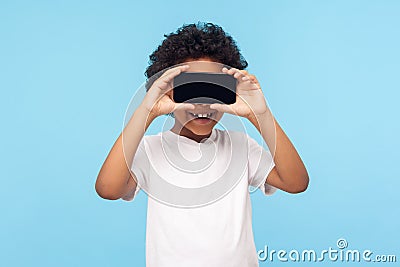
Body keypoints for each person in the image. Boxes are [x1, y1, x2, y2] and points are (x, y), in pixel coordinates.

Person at [95, 22, 309, 267]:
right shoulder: (150, 149)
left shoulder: (240, 145)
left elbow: (296, 183)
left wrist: (260, 114)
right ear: (168, 92)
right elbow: (108, 189)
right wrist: (145, 111)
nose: (203, 105)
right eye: (191, 89)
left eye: (213, 90)